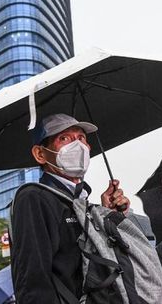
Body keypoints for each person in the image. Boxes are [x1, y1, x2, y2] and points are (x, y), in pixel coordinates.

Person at [10, 113, 130, 303]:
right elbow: (32, 277)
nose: (78, 145)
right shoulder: (34, 198)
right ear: (40, 154)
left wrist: (108, 216)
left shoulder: (82, 202)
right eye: (64, 138)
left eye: (81, 138)